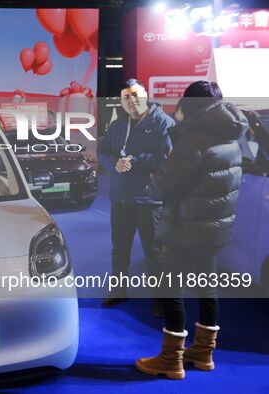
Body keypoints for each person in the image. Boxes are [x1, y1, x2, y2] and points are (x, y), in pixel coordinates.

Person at [135, 81, 248, 379]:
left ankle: (171, 360)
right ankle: (203, 352)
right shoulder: (231, 138)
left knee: (172, 291)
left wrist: (153, 177)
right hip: (215, 230)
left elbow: (164, 185)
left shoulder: (193, 142)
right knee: (207, 289)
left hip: (186, 229)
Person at [97, 79, 174, 312]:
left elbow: (168, 155)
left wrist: (135, 162)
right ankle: (118, 290)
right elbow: (102, 152)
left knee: (155, 252)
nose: (131, 100)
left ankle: (161, 300)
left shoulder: (163, 122)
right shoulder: (118, 126)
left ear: (145, 94)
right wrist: (114, 163)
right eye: (126, 97)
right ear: (121, 102)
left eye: (135, 94)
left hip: (150, 200)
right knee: (120, 248)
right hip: (121, 198)